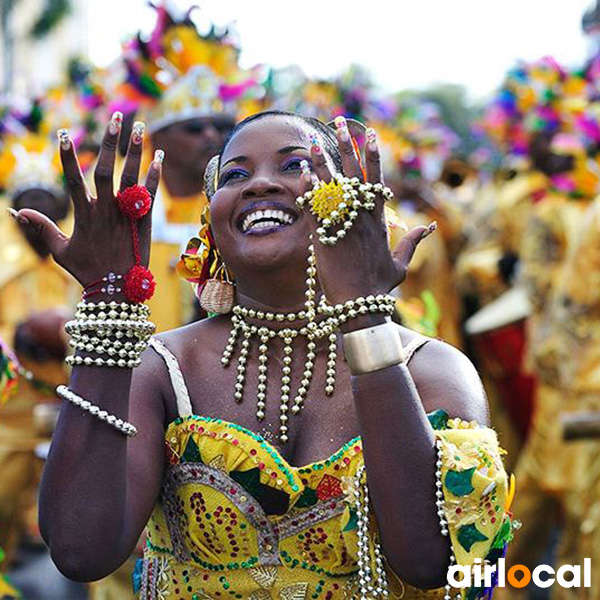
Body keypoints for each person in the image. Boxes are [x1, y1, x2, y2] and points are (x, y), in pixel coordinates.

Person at [20, 110, 513, 599]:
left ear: (355, 205)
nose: (258, 185)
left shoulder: (432, 368)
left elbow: (430, 560)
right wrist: (109, 304)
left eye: (295, 164)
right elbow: (81, 552)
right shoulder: (165, 368)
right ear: (211, 221)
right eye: (235, 175)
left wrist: (365, 319)